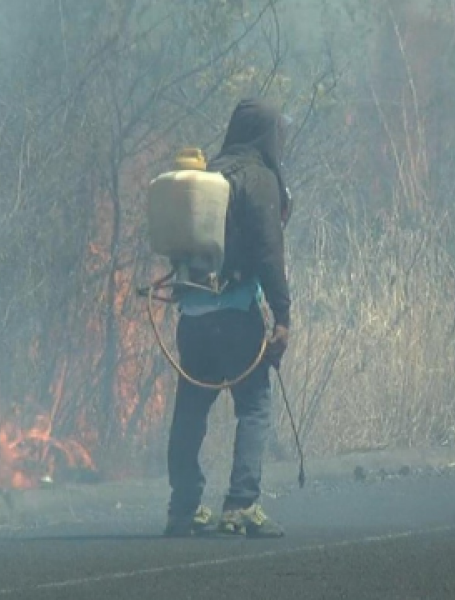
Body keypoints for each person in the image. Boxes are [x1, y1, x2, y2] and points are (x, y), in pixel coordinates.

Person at [163, 98, 293, 538]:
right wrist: (283, 315)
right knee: (254, 405)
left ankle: (182, 508)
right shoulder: (259, 179)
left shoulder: (205, 174)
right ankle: (240, 504)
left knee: (190, 410)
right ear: (266, 135)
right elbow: (269, 254)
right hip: (238, 314)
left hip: (193, 315)